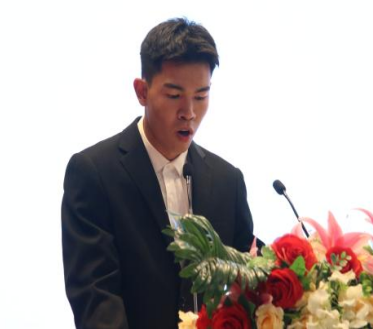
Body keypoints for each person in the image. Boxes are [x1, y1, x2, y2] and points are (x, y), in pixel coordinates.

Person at [61, 18, 257, 329]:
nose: (189, 112)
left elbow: (251, 278)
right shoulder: (94, 173)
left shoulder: (227, 181)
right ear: (142, 91)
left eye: (201, 96)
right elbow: (96, 298)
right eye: (174, 95)